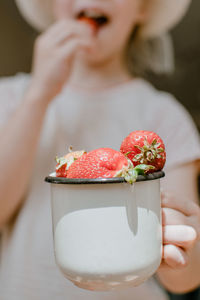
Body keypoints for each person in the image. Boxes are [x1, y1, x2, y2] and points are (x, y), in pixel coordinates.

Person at [0, 0, 200, 299]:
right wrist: (39, 93)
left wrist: (180, 249)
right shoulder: (12, 98)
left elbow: (186, 278)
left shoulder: (164, 116)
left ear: (144, 8)